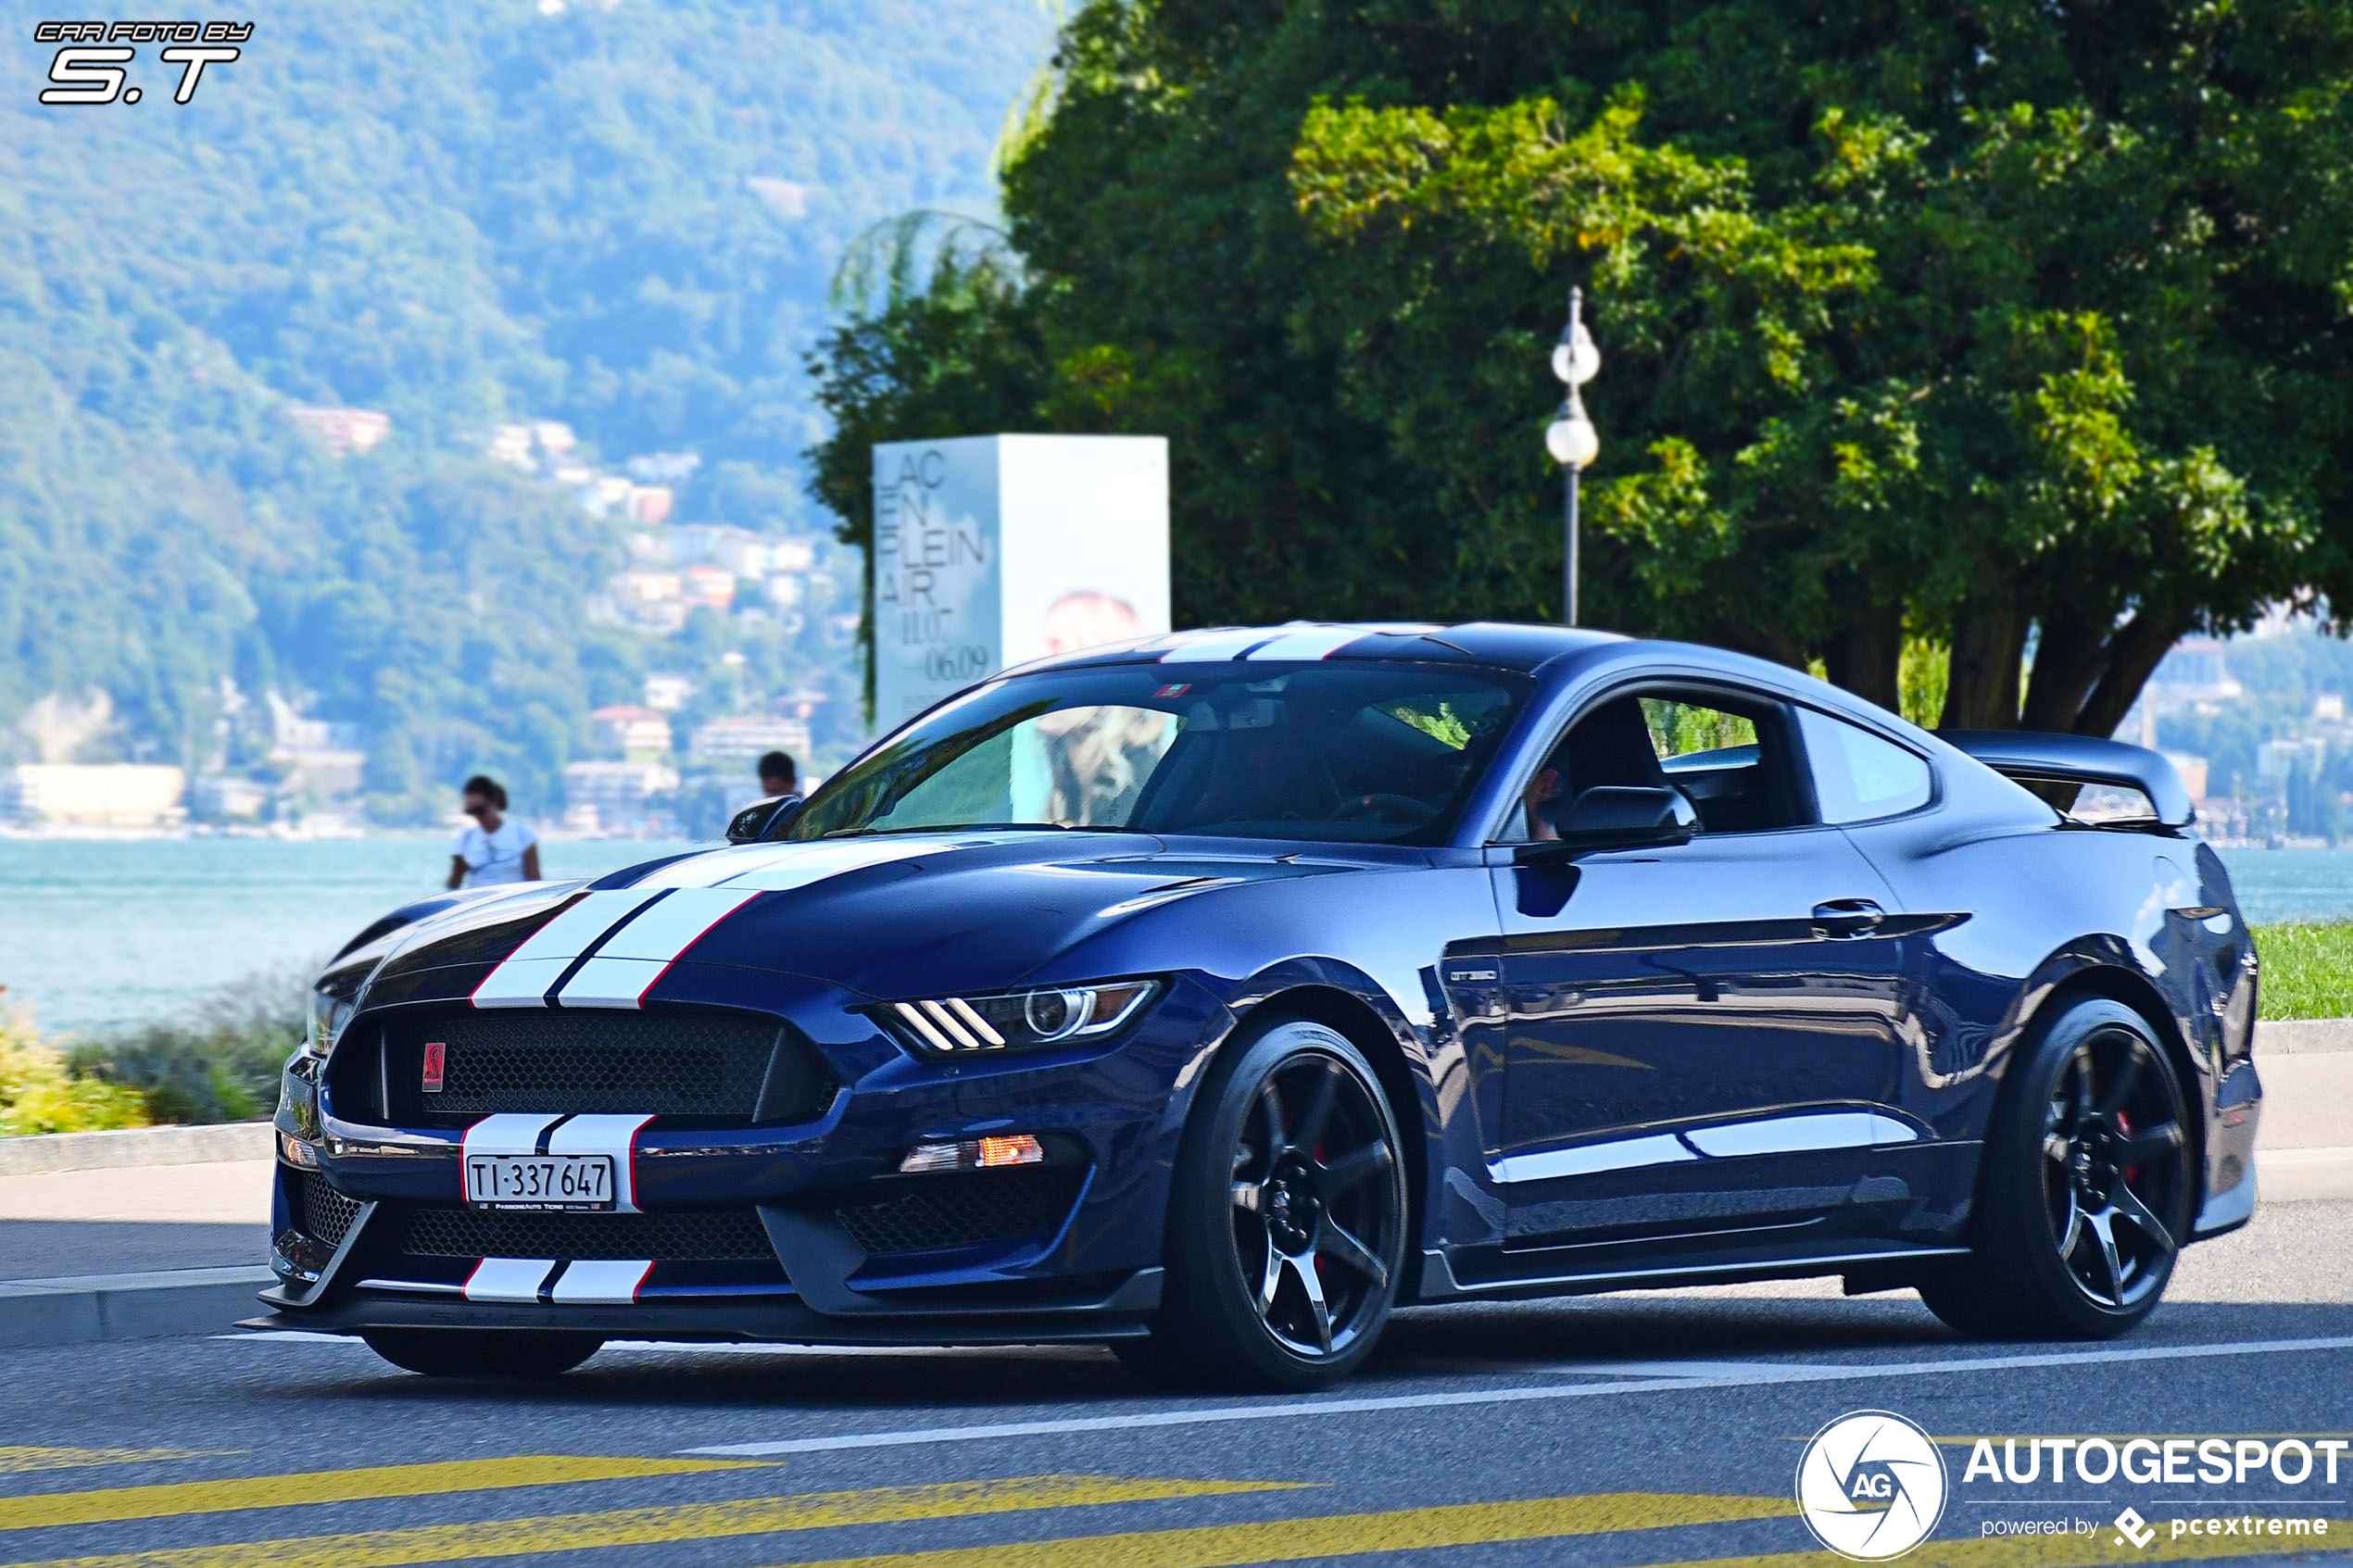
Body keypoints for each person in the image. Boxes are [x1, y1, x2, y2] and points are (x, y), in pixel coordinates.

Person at [447, 774, 541, 889]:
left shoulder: (522, 834)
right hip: (479, 904)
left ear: (495, 801)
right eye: (471, 811)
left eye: (480, 810)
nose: (477, 816)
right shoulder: (466, 837)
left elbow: (536, 884)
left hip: (515, 903)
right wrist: (458, 871)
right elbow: (453, 886)